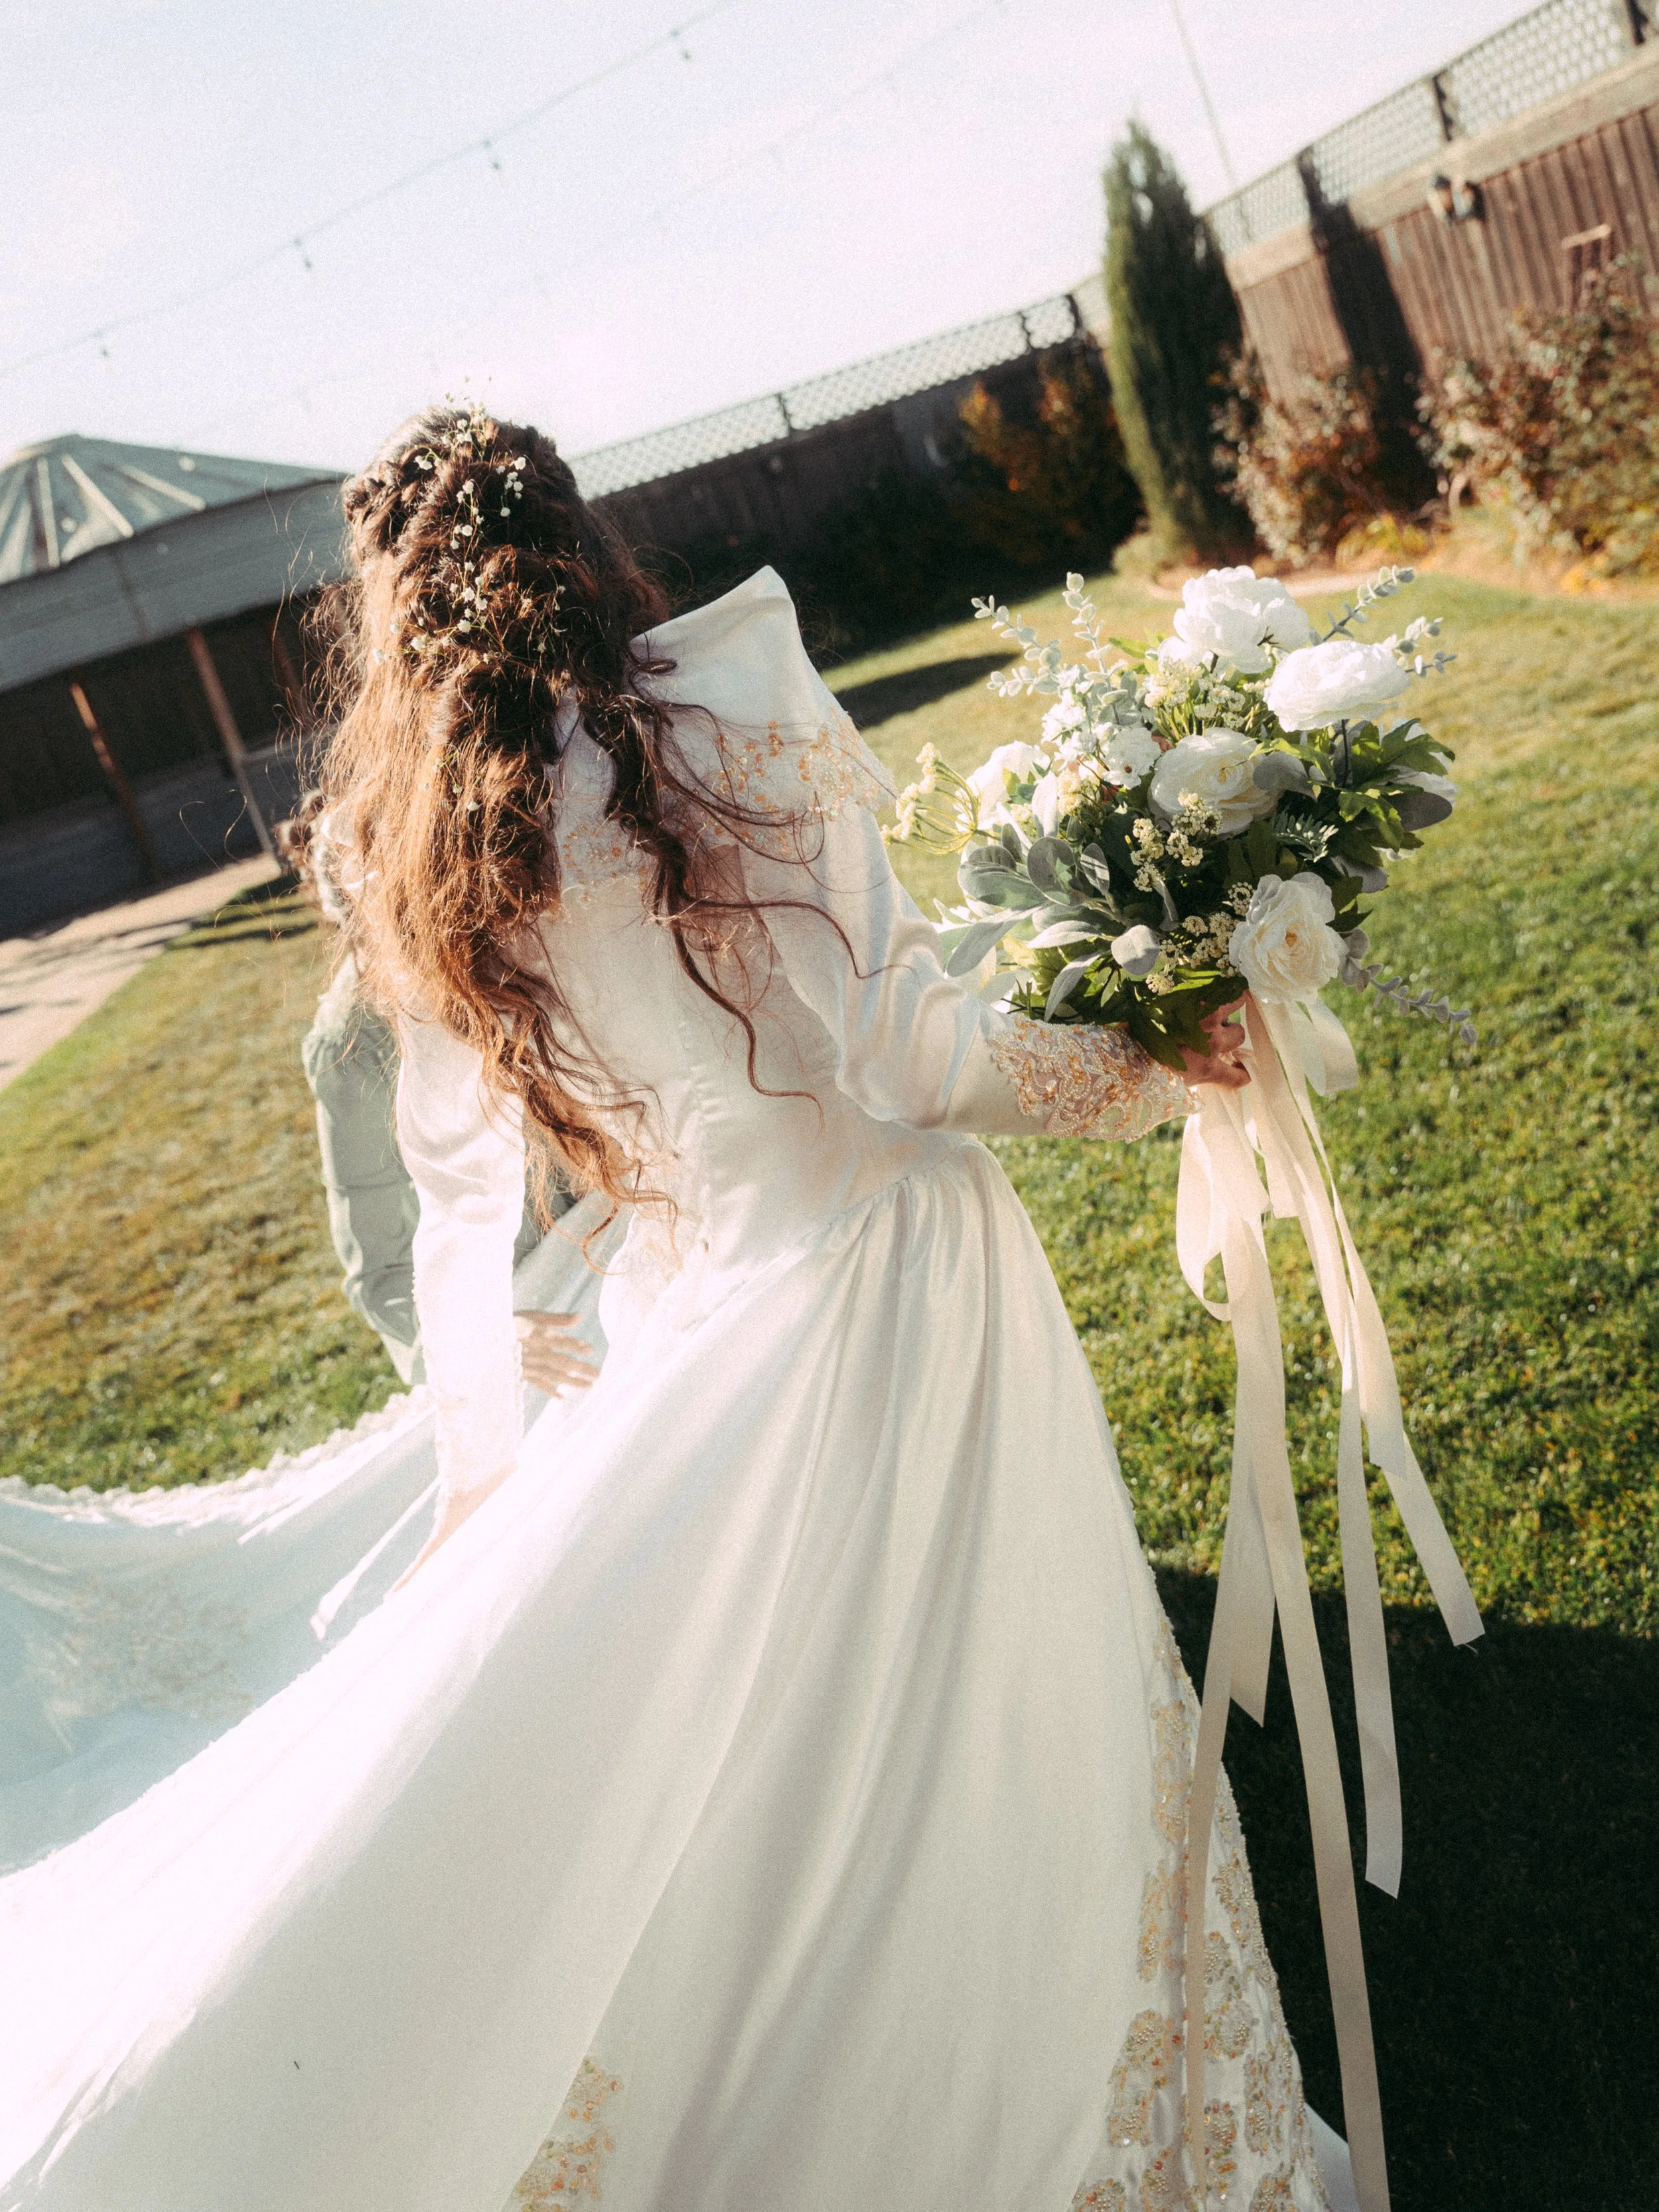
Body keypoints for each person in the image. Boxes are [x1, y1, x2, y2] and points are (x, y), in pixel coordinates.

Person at [0, 406, 1351, 2212]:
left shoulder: (415, 840)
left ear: (390, 611)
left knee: (774, 1775)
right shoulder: (729, 701)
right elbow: (913, 1056)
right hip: (899, 1292)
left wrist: (490, 1455)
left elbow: (485, 1192)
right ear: (581, 531)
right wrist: (1145, 1048)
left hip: (695, 1318)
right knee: (988, 1725)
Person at [275, 794, 597, 1401]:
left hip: (611, 1246)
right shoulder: (351, 1046)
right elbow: (381, 1274)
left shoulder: (503, 957)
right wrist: (488, 1339)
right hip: (522, 1324)